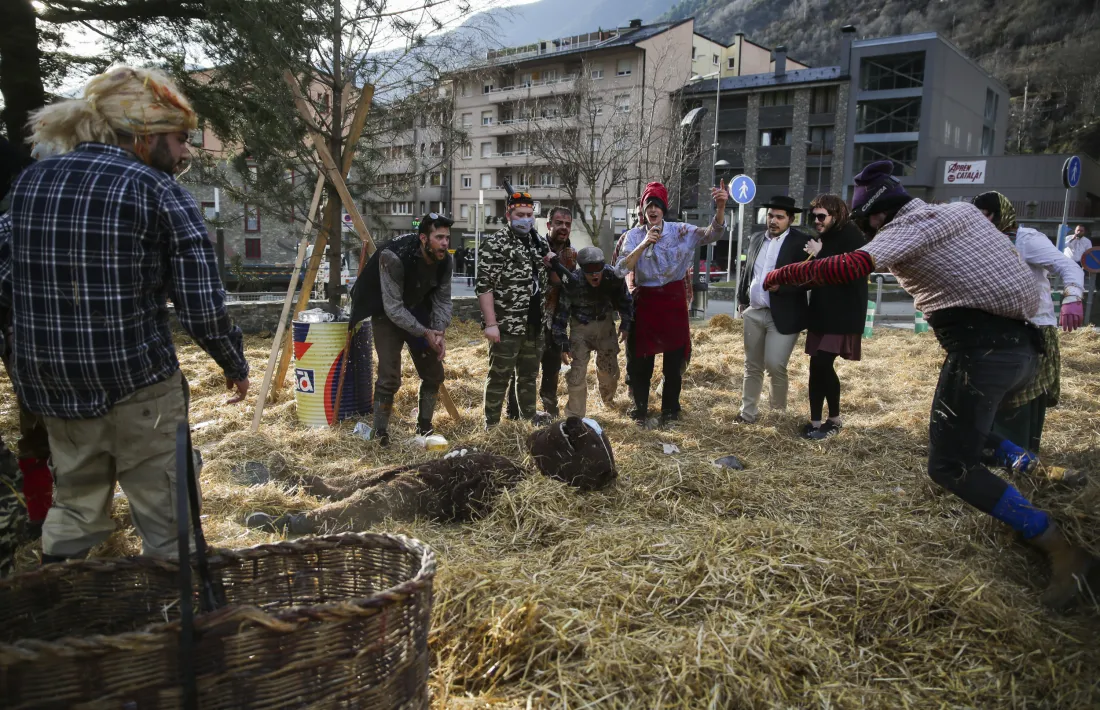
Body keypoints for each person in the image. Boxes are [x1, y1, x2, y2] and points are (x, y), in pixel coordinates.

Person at [762, 160, 1096, 610]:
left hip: (985, 350)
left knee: (948, 464)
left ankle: (1059, 546)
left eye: (868, 221)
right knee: (958, 429)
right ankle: (1033, 468)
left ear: (878, 215)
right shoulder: (959, 210)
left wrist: (787, 275)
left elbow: (851, 266)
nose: (869, 229)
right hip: (1024, 345)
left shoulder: (905, 228)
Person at [0, 67, 250, 563]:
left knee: (73, 508)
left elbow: (7, 285)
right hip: (139, 389)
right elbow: (202, 306)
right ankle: (184, 623)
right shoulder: (157, 191)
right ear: (143, 135)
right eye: (179, 139)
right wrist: (233, 363)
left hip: (54, 391)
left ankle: (64, 619)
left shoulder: (30, 185)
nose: (184, 154)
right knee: (170, 520)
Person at [972, 191, 1085, 455]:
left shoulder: (1027, 240)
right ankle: (996, 453)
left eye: (986, 216)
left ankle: (1020, 454)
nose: (981, 222)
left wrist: (1073, 297)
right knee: (995, 396)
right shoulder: (981, 243)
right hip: (998, 330)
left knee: (1021, 399)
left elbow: (1067, 266)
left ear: (1001, 214)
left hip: (1033, 329)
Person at [615, 180, 727, 426]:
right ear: (642, 210)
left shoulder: (680, 231)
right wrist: (645, 243)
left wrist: (720, 207)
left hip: (673, 300)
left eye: (657, 205)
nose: (652, 210)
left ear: (664, 209)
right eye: (648, 205)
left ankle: (670, 412)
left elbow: (714, 234)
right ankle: (640, 410)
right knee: (641, 361)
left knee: (674, 362)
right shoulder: (633, 236)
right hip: (646, 301)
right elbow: (620, 268)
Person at [350, 213, 453, 444]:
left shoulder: (446, 261)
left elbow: (443, 300)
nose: (445, 243)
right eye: (439, 237)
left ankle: (424, 427)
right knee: (389, 376)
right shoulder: (393, 256)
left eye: (447, 237)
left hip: (418, 307)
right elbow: (394, 308)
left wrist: (438, 331)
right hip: (386, 312)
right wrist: (424, 331)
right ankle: (380, 433)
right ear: (423, 238)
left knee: (434, 372)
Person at [0, 139, 52, 537]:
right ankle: (55, 517)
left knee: (38, 437)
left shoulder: (10, 222)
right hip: (57, 357)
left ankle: (44, 517)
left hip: (28, 357)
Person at [476, 189, 551, 428]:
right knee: (499, 377)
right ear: (509, 215)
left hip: (534, 323)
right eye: (520, 214)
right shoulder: (496, 244)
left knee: (528, 377)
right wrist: (490, 324)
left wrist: (549, 263)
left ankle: (527, 421)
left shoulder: (538, 243)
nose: (526, 219)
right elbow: (484, 286)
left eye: (529, 214)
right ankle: (492, 426)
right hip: (507, 325)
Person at [735, 195, 811, 424]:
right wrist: (741, 299)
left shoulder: (802, 243)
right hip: (754, 311)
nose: (774, 220)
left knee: (775, 365)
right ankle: (747, 414)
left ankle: (777, 415)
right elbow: (748, 271)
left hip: (785, 314)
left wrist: (783, 287)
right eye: (770, 215)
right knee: (752, 366)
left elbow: (808, 279)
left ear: (790, 219)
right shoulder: (756, 239)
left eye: (780, 217)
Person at [800, 194, 867, 439]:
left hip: (843, 314)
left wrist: (820, 254)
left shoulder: (852, 236)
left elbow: (847, 271)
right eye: (813, 216)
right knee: (815, 367)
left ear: (836, 215)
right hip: (821, 312)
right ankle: (815, 422)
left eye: (821, 216)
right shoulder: (825, 237)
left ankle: (835, 419)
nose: (816, 221)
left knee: (822, 363)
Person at [506, 206, 576, 419]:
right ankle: (515, 413)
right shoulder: (533, 246)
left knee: (552, 370)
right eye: (559, 223)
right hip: (530, 319)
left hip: (555, 321)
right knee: (523, 372)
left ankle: (549, 413)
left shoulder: (571, 254)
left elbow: (563, 285)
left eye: (567, 224)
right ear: (549, 225)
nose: (563, 227)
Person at [551, 246, 633, 418]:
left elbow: (625, 299)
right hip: (580, 328)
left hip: (605, 326)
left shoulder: (611, 276)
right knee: (577, 373)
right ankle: (575, 415)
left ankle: (608, 401)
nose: (595, 276)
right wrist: (562, 343)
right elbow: (561, 313)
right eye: (590, 272)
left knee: (608, 371)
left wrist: (625, 324)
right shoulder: (573, 281)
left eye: (598, 271)